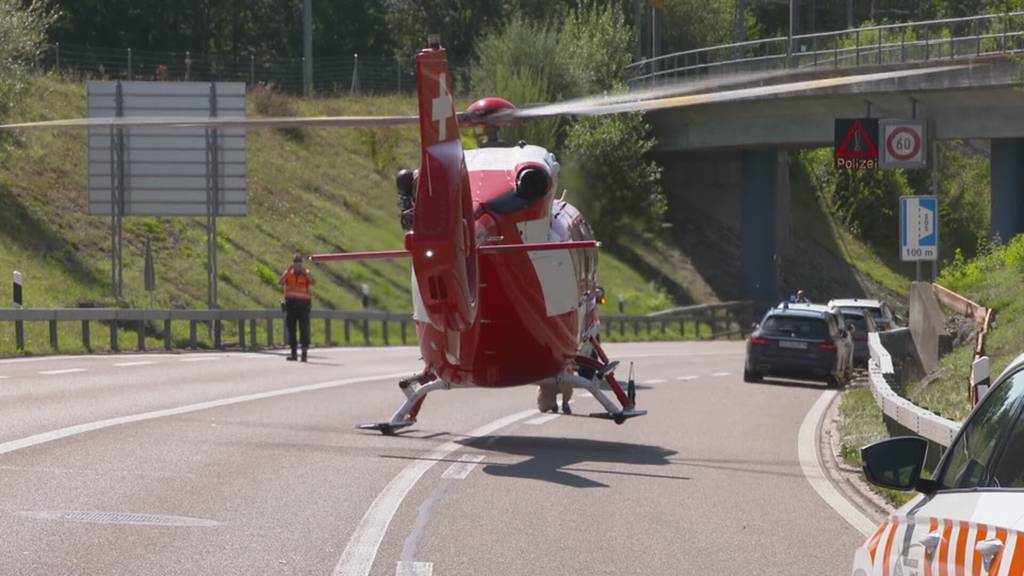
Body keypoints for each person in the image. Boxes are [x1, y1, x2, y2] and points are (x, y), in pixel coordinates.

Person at [279, 254, 315, 362]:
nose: (297, 265)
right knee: (291, 330)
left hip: (303, 306)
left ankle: (304, 353)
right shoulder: (288, 273)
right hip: (291, 306)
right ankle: (293, 353)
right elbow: (280, 282)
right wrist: (288, 270)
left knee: (304, 329)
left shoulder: (306, 273)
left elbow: (313, 282)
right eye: (295, 263)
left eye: (299, 263)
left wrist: (305, 272)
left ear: (302, 264)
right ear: (292, 263)